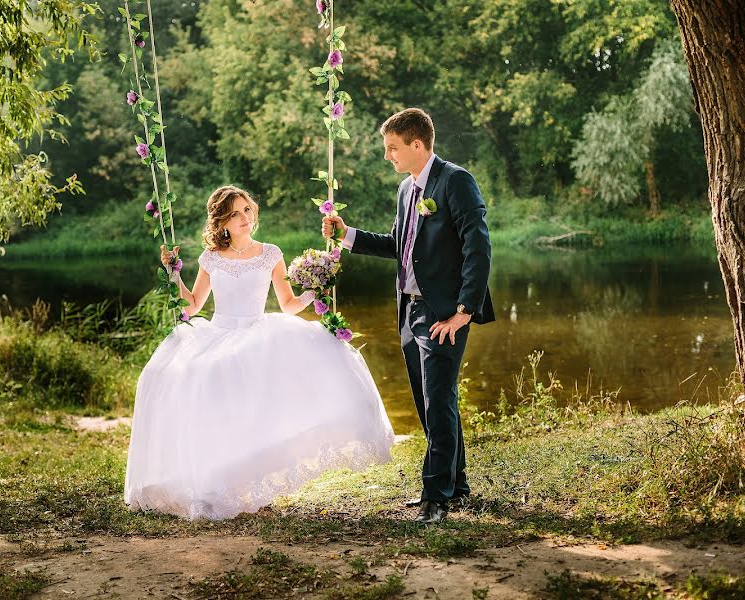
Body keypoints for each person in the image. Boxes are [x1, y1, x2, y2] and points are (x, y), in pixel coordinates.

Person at [125, 185, 395, 520]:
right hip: (220, 332)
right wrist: (174, 272)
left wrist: (315, 290)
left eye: (248, 210)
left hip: (257, 330)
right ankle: (214, 479)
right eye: (236, 213)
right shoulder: (210, 258)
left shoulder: (270, 253)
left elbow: (288, 305)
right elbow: (192, 306)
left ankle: (248, 478)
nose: (244, 218)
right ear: (222, 221)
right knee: (191, 377)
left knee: (260, 397)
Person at [322, 108, 494, 524]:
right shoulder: (406, 190)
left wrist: (463, 312)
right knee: (430, 403)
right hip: (408, 310)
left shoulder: (455, 181)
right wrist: (346, 235)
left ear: (417, 145)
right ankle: (457, 486)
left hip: (443, 314)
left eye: (393, 148)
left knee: (438, 404)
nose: (388, 156)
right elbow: (398, 244)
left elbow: (478, 247)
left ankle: (435, 496)